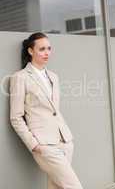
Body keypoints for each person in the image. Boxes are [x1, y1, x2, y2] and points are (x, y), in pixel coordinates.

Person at [9, 32, 83, 189]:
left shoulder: (53, 77)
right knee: (73, 186)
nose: (47, 53)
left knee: (56, 186)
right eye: (42, 49)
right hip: (44, 145)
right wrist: (34, 145)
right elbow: (16, 117)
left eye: (49, 48)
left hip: (64, 140)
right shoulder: (20, 77)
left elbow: (54, 110)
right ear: (31, 51)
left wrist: (67, 141)